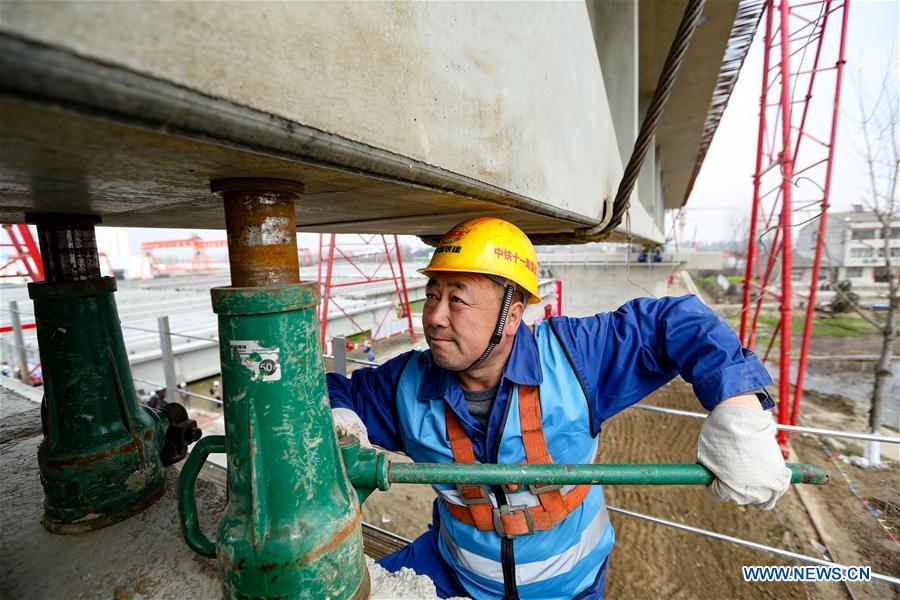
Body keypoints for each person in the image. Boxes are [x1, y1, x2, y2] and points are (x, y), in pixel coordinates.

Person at [327, 217, 789, 599]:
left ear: (511, 315)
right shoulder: (404, 384)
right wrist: (338, 419)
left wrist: (740, 408)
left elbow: (679, 321)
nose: (434, 317)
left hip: (570, 585)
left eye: (457, 299)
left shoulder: (576, 360)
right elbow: (332, 392)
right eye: (432, 295)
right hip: (453, 577)